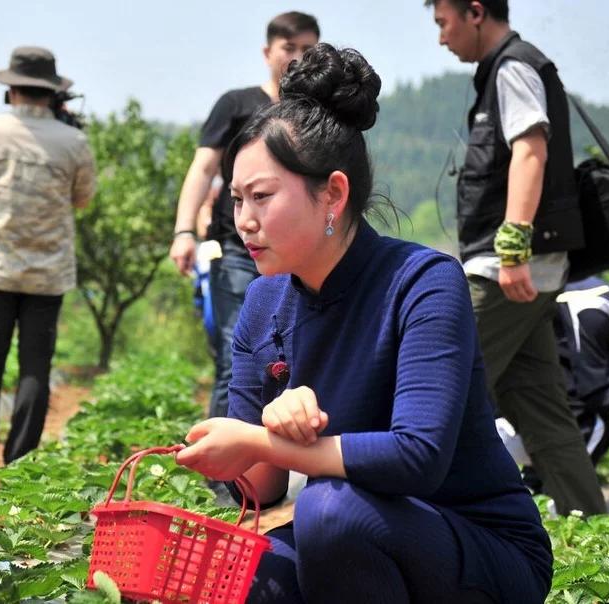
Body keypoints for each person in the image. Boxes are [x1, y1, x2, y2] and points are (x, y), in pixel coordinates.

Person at [175, 44, 552, 602]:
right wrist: (263, 440)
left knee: (329, 512)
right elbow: (262, 485)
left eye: (262, 197)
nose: (244, 222)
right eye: (234, 200)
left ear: (333, 193)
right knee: (244, 574)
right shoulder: (263, 301)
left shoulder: (424, 282)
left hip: (477, 545)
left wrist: (261, 439)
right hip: (358, 533)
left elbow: (416, 458)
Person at [428, 0, 605, 515]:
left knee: (440, 386)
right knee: (542, 410)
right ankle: (597, 532)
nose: (441, 38)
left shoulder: (513, 67)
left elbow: (530, 150)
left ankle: (425, 521)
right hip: (525, 268)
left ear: (475, 12)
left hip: (507, 270)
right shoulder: (506, 69)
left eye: (444, 23)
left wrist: (511, 250)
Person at [168, 11, 319, 420]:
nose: (296, 57)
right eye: (289, 48)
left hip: (304, 256)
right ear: (267, 51)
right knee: (239, 359)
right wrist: (184, 230)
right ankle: (226, 479)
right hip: (240, 249)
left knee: (302, 360)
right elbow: (202, 168)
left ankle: (281, 468)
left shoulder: (316, 113)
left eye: (307, 49)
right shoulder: (236, 104)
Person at [0, 46, 96, 485]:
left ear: (11, 89)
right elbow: (82, 198)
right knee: (35, 365)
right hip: (47, 271)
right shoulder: (73, 141)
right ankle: (19, 463)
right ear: (53, 93)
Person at [502, 277, 609, 471]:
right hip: (501, 411)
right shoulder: (593, 303)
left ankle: (537, 487)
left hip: (533, 405)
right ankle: (565, 498)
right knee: (594, 426)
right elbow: (599, 393)